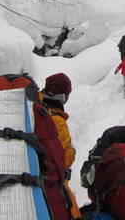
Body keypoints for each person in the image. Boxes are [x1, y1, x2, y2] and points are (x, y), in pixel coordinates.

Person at [39, 72, 81, 219]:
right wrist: (72, 152)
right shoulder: (57, 121)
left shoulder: (35, 104)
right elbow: (62, 159)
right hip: (52, 183)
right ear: (64, 97)